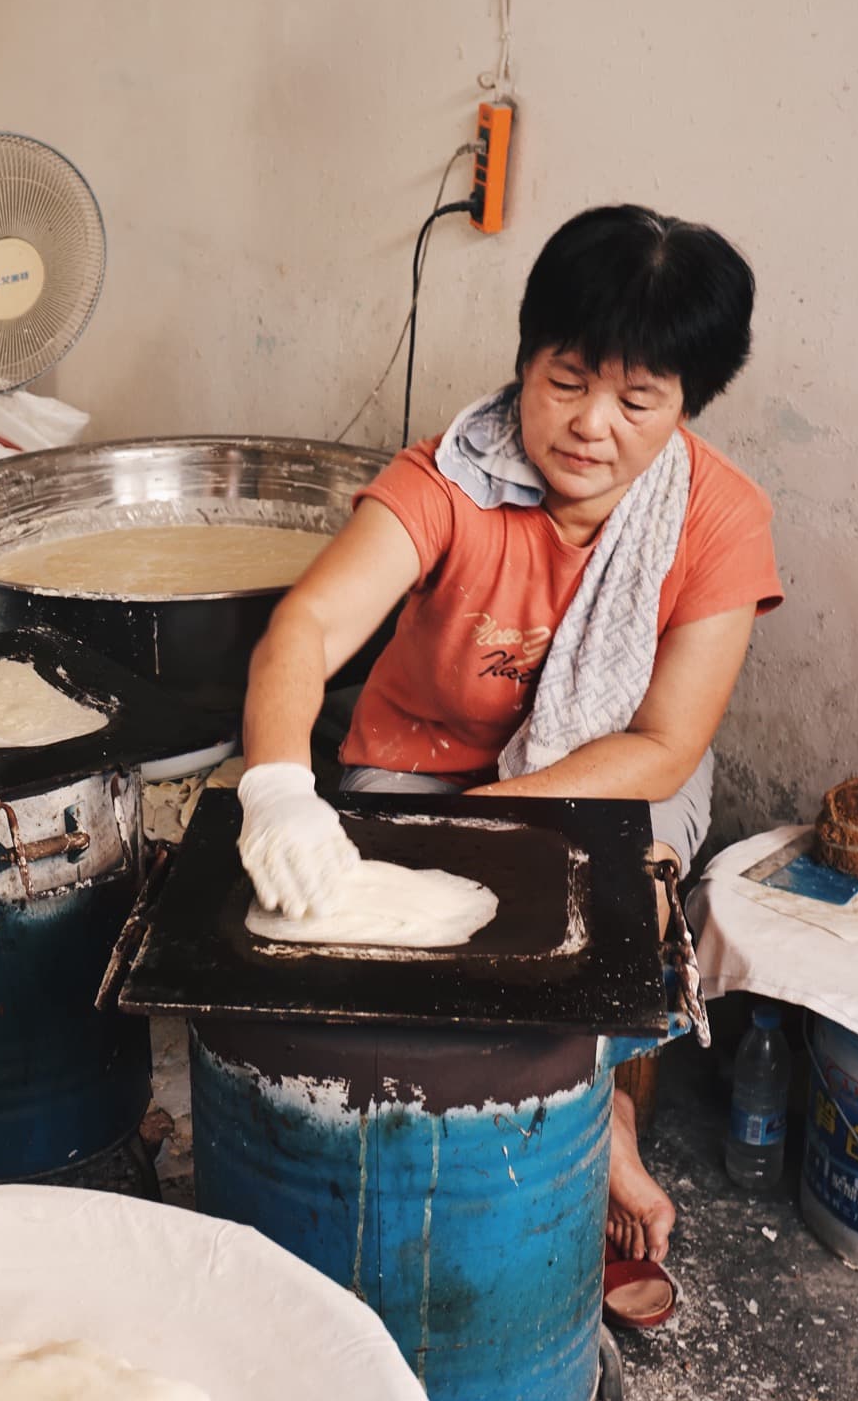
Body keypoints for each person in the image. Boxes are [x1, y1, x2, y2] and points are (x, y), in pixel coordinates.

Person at [238, 205, 782, 1289]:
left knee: (628, 894)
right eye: (567, 380)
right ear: (525, 360)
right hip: (419, 755)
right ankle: (422, 1161)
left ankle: (607, 1124)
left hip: (610, 764)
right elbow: (306, 627)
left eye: (637, 401)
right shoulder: (451, 478)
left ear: (686, 406)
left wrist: (499, 813)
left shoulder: (717, 518)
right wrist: (275, 788)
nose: (591, 425)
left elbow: (668, 741)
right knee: (371, 942)